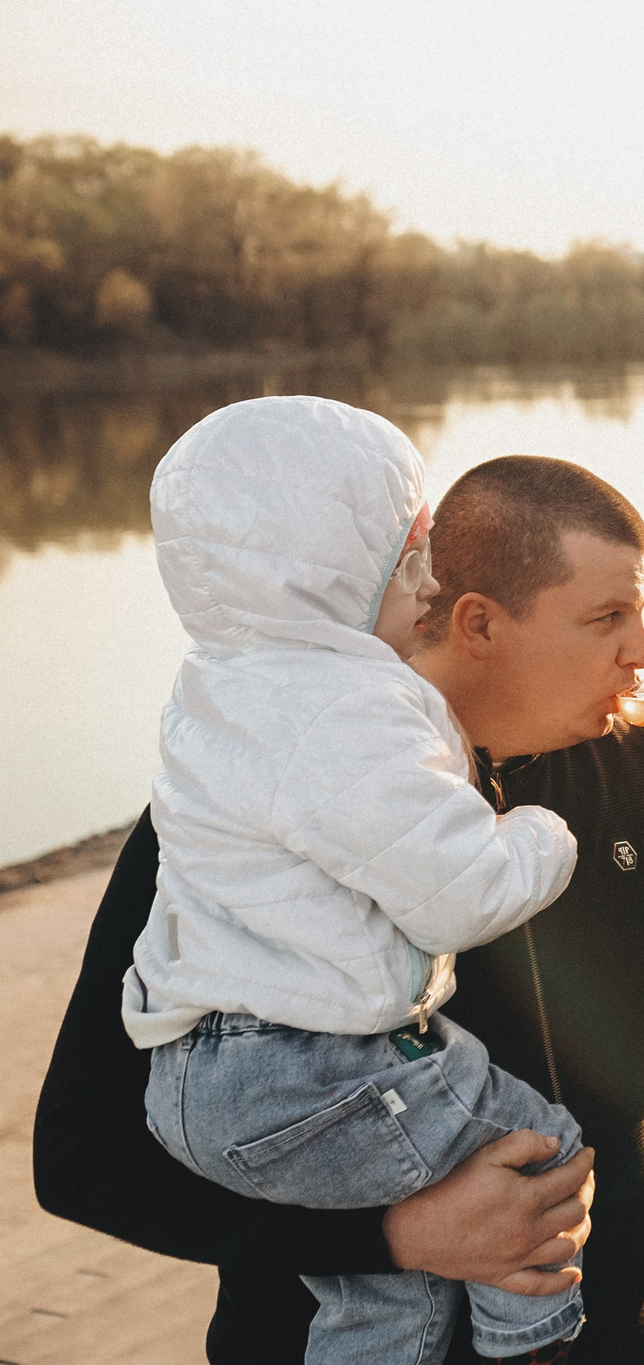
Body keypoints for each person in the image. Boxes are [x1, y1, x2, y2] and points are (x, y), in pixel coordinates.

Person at [37, 452, 644, 1365]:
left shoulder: (634, 765)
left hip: (629, 1341)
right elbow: (80, 1154)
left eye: (642, 611)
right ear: (478, 623)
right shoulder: (247, 798)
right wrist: (395, 1237)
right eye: (606, 618)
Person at [125, 397, 586, 1365]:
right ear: (339, 568)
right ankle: (533, 1341)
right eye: (408, 557)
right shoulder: (349, 712)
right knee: (538, 1142)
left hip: (199, 1079)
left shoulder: (219, 686)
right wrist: (540, 833)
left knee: (380, 1296)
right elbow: (463, 889)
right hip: (302, 1072)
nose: (426, 584)